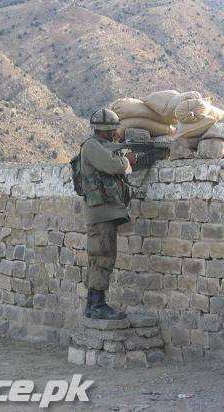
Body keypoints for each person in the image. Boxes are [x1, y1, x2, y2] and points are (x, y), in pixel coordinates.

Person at [80, 109, 137, 320]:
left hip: (103, 213)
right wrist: (128, 160)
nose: (114, 134)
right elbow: (113, 165)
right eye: (112, 130)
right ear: (104, 130)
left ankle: (93, 304)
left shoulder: (99, 146)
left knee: (100, 258)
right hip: (100, 214)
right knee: (102, 258)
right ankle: (97, 306)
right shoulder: (92, 146)